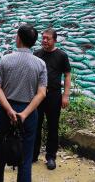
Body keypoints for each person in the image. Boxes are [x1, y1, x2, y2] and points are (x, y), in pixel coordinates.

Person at [0, 24, 47, 182]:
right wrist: (24, 114)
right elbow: (42, 93)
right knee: (26, 158)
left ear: (19, 38)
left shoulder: (6, 60)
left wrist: (9, 110)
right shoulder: (40, 64)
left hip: (6, 110)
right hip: (28, 112)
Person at [32, 28, 71, 170]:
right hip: (37, 95)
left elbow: (67, 75)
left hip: (54, 95)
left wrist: (65, 95)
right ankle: (33, 154)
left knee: (53, 127)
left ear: (55, 40)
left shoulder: (62, 56)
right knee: (35, 124)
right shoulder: (36, 54)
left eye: (47, 38)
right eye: (43, 38)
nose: (44, 41)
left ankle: (50, 157)